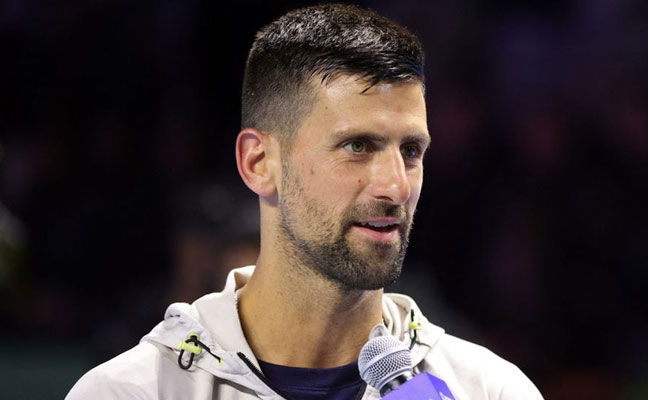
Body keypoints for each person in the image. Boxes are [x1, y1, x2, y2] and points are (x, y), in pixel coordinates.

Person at [66, 4, 543, 399]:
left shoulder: (489, 390)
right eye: (358, 146)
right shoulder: (130, 393)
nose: (396, 187)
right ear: (259, 163)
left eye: (411, 151)